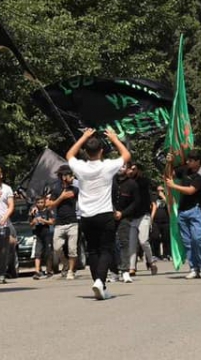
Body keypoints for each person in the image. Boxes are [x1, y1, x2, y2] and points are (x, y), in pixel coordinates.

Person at [67, 128, 132, 300]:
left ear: (86, 152)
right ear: (101, 151)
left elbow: (69, 154)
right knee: (107, 249)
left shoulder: (80, 167)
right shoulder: (107, 166)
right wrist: (114, 138)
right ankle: (99, 281)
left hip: (86, 216)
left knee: (93, 251)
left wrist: (84, 137)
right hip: (104, 214)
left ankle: (100, 285)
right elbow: (126, 155)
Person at [165, 150, 201, 279]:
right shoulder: (184, 170)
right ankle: (193, 267)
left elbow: (191, 190)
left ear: (198, 162)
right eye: (188, 160)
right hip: (182, 211)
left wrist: (174, 186)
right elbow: (169, 175)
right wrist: (169, 163)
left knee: (197, 239)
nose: (188, 162)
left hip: (195, 210)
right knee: (187, 242)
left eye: (191, 160)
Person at [47, 165, 80, 280]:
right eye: (70, 176)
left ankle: (71, 271)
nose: (73, 178)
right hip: (59, 223)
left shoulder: (75, 190)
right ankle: (65, 263)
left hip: (73, 222)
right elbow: (49, 205)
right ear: (64, 177)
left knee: (72, 249)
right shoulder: (56, 189)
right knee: (57, 248)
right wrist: (61, 197)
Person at [128, 162, 157, 276]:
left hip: (144, 216)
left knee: (143, 241)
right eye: (130, 169)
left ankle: (152, 262)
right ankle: (132, 268)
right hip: (132, 217)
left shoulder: (144, 182)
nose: (131, 171)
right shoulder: (128, 182)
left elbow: (144, 184)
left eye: (134, 169)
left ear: (139, 171)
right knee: (132, 243)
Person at [114, 164, 138, 283]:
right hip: (110, 215)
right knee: (111, 244)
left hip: (125, 217)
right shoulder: (111, 182)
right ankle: (114, 271)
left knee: (124, 242)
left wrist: (122, 214)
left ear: (127, 169)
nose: (120, 169)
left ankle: (125, 271)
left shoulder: (132, 184)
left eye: (123, 166)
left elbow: (135, 203)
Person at [30, 196, 54, 279]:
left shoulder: (48, 211)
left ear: (44, 203)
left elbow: (52, 222)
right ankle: (37, 271)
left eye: (41, 202)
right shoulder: (34, 212)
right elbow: (30, 224)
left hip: (47, 233)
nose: (40, 204)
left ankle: (49, 270)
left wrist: (44, 221)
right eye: (38, 203)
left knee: (48, 253)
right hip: (38, 234)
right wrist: (34, 221)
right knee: (37, 253)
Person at [151, 185, 170, 260]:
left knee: (166, 238)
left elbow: (170, 205)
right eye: (158, 191)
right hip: (156, 221)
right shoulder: (154, 197)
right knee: (155, 237)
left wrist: (164, 197)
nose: (160, 192)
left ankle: (166, 254)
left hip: (166, 220)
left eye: (162, 190)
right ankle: (156, 254)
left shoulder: (167, 196)